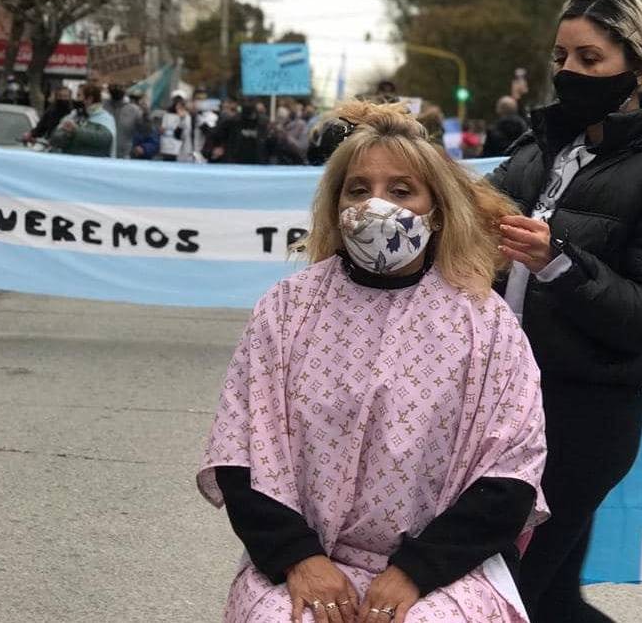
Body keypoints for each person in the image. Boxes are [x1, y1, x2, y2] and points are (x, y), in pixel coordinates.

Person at [197, 100, 548, 623]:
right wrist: (299, 559)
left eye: (401, 191)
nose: (375, 206)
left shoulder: (486, 324)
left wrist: (415, 572)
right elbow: (241, 453)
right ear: (336, 204)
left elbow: (511, 478)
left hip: (440, 572)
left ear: (435, 208)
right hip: (307, 562)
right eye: (358, 189)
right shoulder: (287, 309)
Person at [486, 0, 642, 622]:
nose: (569, 73)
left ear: (638, 68)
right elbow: (458, 211)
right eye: (561, 58)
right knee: (552, 602)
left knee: (497, 600)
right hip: (507, 405)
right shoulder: (538, 149)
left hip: (581, 421)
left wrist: (558, 261)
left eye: (590, 60)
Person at [48, 83, 116, 158]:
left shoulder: (104, 117)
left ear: (89, 99)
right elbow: (55, 138)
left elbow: (104, 139)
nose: (76, 99)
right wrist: (66, 133)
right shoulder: (74, 115)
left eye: (79, 95)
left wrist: (76, 131)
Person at [109, 84, 146, 159]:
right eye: (115, 85)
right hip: (103, 156)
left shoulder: (134, 110)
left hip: (124, 156)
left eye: (121, 86)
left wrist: (146, 115)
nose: (117, 88)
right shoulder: (103, 106)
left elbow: (146, 131)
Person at [159, 95, 193, 162]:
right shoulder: (168, 115)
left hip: (183, 150)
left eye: (180, 108)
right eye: (177, 107)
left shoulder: (187, 118)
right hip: (169, 147)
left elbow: (184, 134)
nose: (178, 110)